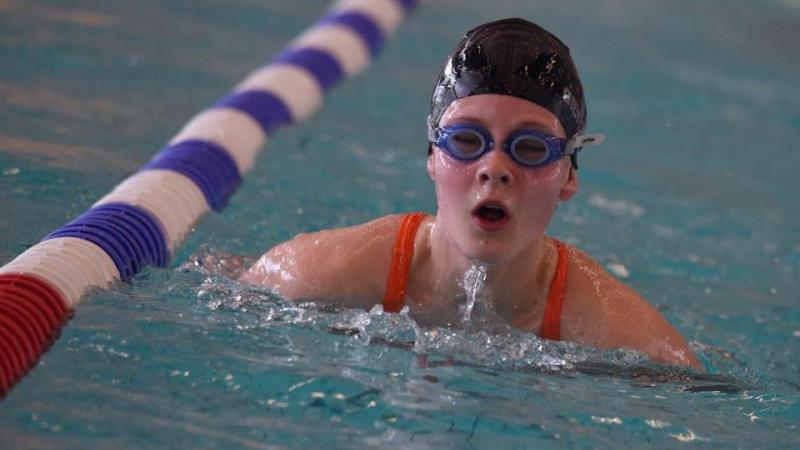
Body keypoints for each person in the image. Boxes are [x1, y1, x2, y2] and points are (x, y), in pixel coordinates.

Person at [240, 18, 701, 369]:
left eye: (531, 148)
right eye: (466, 141)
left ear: (568, 177)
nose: (494, 170)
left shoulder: (623, 334)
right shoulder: (315, 275)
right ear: (431, 158)